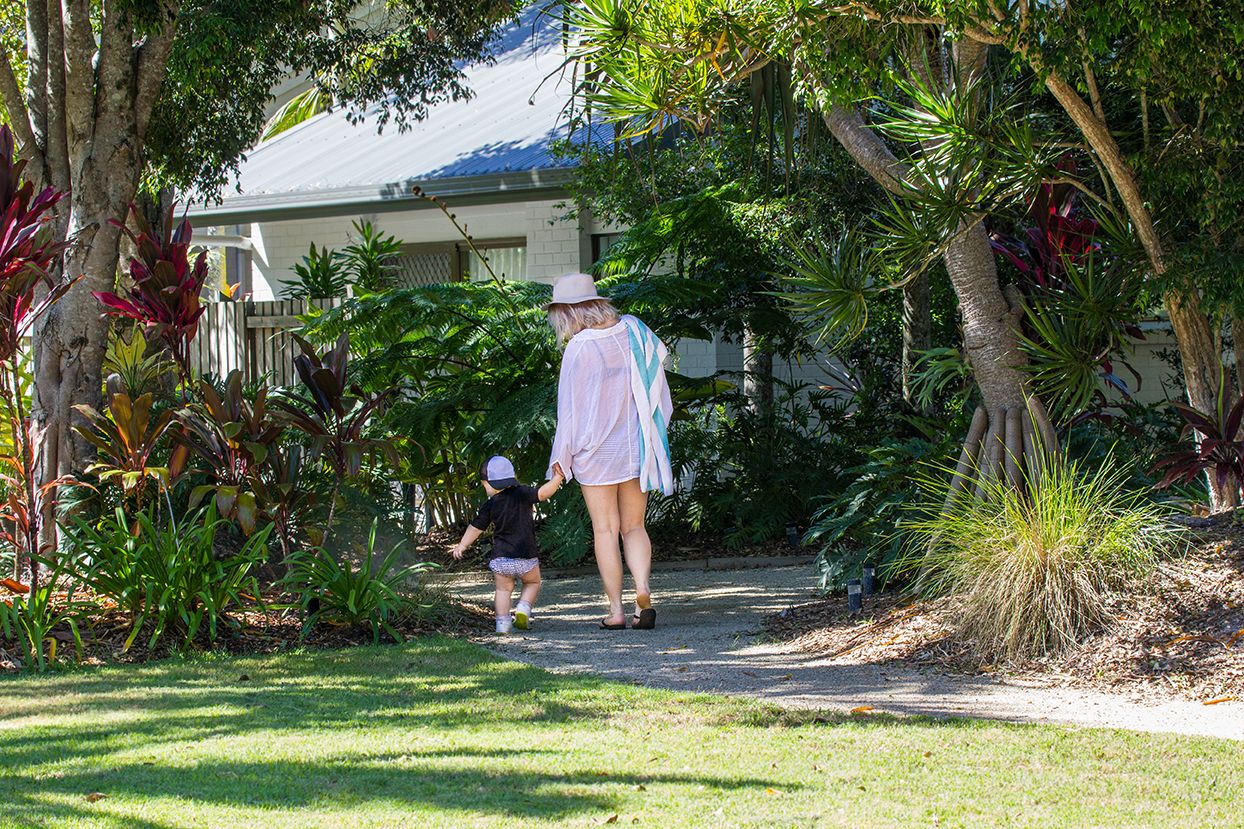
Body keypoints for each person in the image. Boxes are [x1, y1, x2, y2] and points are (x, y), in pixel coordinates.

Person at [545, 272, 674, 631]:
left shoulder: (580, 347)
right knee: (634, 527)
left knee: (605, 530)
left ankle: (616, 611)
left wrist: (560, 461)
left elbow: (568, 411)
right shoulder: (634, 331)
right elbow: (658, 390)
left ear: (568, 313)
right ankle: (643, 590)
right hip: (635, 446)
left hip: (595, 452)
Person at [451, 455, 565, 634]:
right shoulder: (523, 494)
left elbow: (476, 527)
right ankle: (523, 609)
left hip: (501, 559)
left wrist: (462, 546)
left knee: (503, 590)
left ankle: (502, 624)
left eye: (484, 484)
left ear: (490, 483)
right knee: (533, 582)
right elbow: (543, 493)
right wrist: (557, 477)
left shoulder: (491, 504)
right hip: (526, 556)